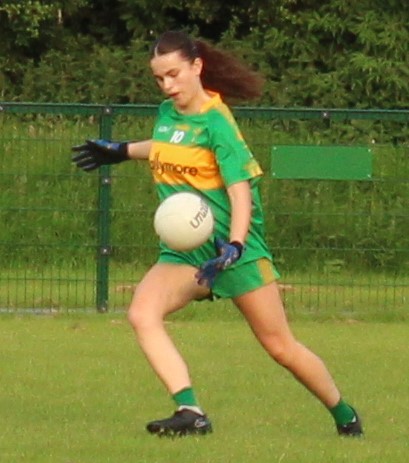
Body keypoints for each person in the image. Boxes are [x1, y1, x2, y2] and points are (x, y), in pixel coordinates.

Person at [72, 30, 363, 438]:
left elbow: (240, 192)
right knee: (142, 314)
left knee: (280, 347)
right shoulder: (167, 113)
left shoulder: (218, 122)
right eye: (159, 78)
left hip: (234, 252)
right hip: (186, 254)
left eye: (174, 74)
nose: (167, 85)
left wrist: (236, 245)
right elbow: (167, 144)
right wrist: (121, 150)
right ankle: (190, 411)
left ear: (196, 67)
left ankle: (345, 415)